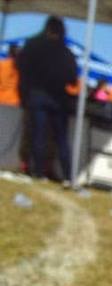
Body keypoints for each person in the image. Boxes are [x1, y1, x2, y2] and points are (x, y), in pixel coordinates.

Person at [16, 16, 77, 181]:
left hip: (37, 95)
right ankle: (68, 175)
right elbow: (72, 78)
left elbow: (21, 68)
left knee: (38, 135)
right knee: (61, 139)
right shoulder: (67, 52)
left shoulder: (32, 45)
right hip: (59, 99)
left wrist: (24, 93)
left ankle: (38, 172)